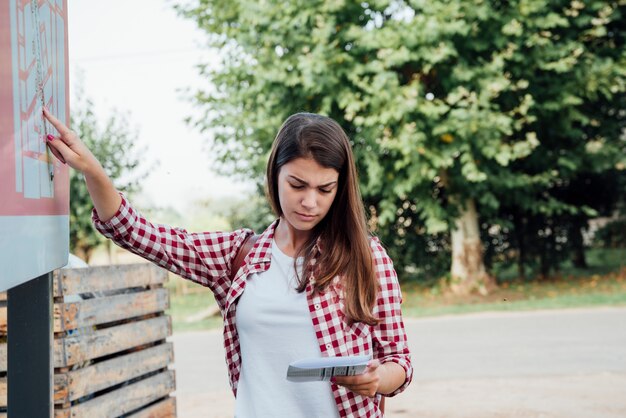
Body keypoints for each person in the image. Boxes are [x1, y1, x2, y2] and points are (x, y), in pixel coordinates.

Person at [43, 107, 413, 417]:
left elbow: (399, 359)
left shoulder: (365, 257)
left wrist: (378, 379)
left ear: (340, 187)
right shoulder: (239, 255)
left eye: (324, 189)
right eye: (297, 185)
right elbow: (134, 231)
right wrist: (92, 169)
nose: (310, 202)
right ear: (275, 175)